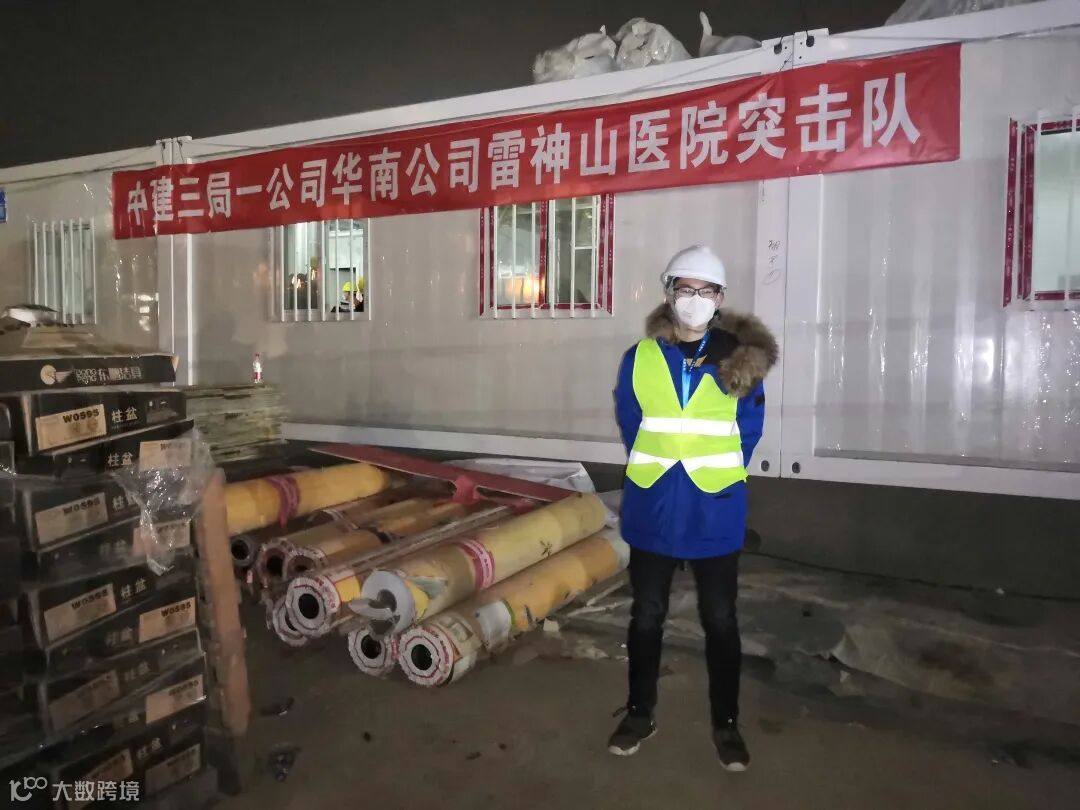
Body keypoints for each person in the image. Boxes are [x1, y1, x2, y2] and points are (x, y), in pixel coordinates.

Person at [609, 245, 778, 770]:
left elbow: (748, 431)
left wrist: (712, 472)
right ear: (669, 294)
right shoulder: (640, 357)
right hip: (653, 504)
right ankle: (639, 713)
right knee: (646, 615)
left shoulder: (738, 361)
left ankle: (726, 724)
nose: (694, 299)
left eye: (706, 291)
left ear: (720, 299)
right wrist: (663, 464)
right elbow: (631, 420)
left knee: (720, 618)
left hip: (714, 508)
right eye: (686, 289)